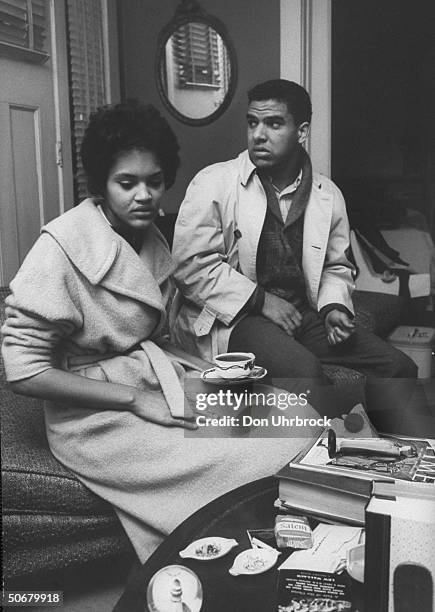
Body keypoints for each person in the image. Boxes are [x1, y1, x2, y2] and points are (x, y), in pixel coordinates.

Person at [1, 100, 320, 562]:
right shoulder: (61, 247)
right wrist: (137, 399)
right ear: (101, 184)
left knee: (299, 418)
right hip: (95, 418)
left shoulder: (150, 237)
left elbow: (163, 332)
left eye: (154, 181)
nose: (144, 195)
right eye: (126, 183)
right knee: (257, 454)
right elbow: (24, 373)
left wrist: (214, 376)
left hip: (160, 377)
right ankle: (232, 558)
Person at [171, 80, 417, 411]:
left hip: (301, 315)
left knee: (398, 368)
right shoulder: (213, 182)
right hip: (237, 318)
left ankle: (409, 457)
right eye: (252, 122)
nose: (258, 134)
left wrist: (333, 307)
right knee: (305, 373)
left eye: (273, 123)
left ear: (301, 131)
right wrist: (260, 300)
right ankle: (324, 461)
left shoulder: (326, 194)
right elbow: (190, 266)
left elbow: (336, 266)